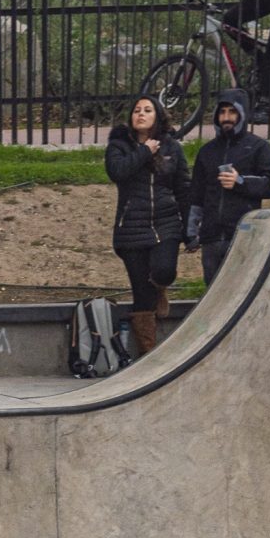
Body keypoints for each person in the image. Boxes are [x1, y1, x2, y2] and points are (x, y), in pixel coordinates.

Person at [105, 94, 191, 360]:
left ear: (158, 116)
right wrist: (144, 152)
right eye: (137, 110)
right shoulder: (119, 146)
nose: (141, 114)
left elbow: (183, 187)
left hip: (166, 223)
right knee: (142, 293)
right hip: (131, 228)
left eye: (147, 110)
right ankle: (148, 355)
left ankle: (161, 287)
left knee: (164, 270)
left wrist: (190, 227)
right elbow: (117, 172)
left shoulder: (172, 147)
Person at [186, 88, 270, 287]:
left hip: (243, 233)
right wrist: (191, 230)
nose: (226, 117)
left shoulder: (258, 147)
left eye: (232, 112)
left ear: (242, 114)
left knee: (242, 289)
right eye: (222, 112)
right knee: (213, 290)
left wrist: (241, 182)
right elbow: (196, 194)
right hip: (212, 237)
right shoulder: (206, 151)